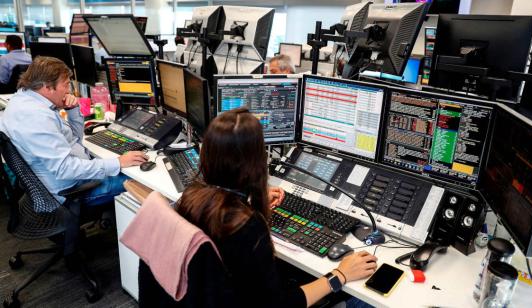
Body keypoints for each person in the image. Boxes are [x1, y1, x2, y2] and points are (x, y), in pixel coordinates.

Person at [175, 107, 378, 308]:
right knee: (363, 299)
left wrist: (249, 204)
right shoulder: (247, 227)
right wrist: (340, 275)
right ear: (255, 163)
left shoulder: (191, 197)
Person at [0, 56, 147, 208]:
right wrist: (118, 162)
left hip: (61, 181)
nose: (69, 90)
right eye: (66, 85)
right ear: (47, 87)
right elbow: (65, 169)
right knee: (142, 184)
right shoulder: (37, 117)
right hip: (73, 191)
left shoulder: (24, 99)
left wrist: (73, 109)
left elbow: (74, 140)